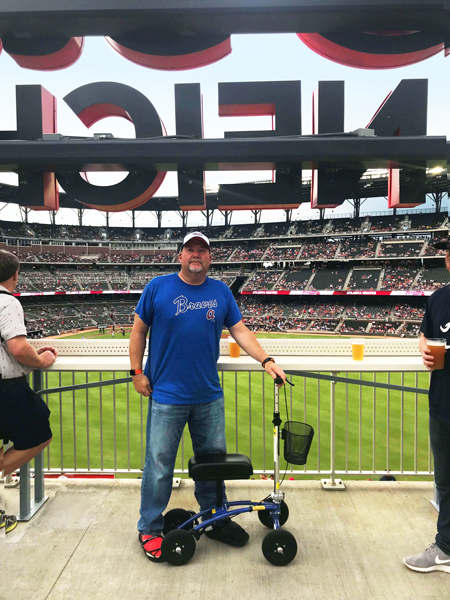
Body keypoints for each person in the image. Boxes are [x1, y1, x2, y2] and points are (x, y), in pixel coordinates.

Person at [129, 231, 287, 562]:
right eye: (190, 249)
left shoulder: (220, 292)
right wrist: (137, 372)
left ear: (210, 258)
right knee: (158, 465)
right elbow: (139, 331)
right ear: (180, 256)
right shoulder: (157, 287)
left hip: (207, 395)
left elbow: (240, 330)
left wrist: (266, 360)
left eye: (202, 250)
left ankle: (216, 519)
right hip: (166, 395)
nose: (196, 254)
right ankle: (149, 528)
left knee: (213, 465)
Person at [404, 236, 450, 573]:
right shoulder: (438, 299)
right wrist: (423, 346)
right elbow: (425, 333)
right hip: (443, 405)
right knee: (446, 481)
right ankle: (446, 548)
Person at [0, 250, 57, 477]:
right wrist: (41, 360)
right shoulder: (7, 302)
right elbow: (18, 349)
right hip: (6, 388)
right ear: (15, 275)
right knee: (39, 433)